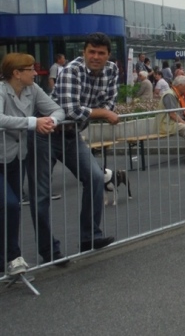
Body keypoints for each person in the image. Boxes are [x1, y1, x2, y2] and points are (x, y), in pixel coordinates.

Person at [29, 32, 118, 260]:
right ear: (84, 52)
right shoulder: (72, 70)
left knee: (96, 177)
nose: (95, 57)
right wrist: (103, 112)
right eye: (91, 52)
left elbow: (111, 102)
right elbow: (72, 110)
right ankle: (49, 250)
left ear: (108, 55)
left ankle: (90, 236)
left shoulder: (112, 70)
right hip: (46, 134)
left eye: (101, 53)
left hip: (71, 135)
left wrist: (103, 110)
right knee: (41, 194)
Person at [0, 53, 65, 274]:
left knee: (12, 207)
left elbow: (58, 109)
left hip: (16, 157)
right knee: (9, 204)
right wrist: (33, 122)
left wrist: (50, 121)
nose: (36, 73)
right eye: (31, 69)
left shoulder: (32, 89)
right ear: (17, 73)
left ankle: (8, 259)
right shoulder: (1, 90)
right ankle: (13, 256)